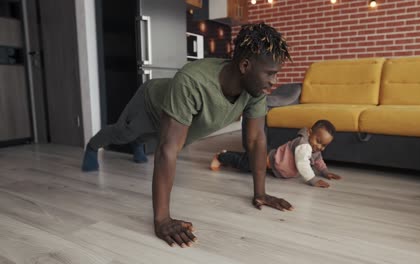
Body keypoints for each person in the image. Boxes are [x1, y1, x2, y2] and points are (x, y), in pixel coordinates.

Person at [81, 22, 293, 248]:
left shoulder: (255, 90)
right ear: (245, 65)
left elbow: (256, 139)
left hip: (174, 118)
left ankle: (138, 144)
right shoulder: (193, 81)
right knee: (124, 133)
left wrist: (260, 193)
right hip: (150, 105)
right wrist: (162, 219)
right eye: (270, 74)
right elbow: (168, 149)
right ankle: (93, 146)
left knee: (149, 141)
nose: (274, 82)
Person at [211, 120, 343, 188]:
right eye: (318, 141)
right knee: (244, 164)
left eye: (324, 145)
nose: (320, 147)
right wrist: (312, 180)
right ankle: (221, 156)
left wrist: (325, 171)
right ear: (309, 133)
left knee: (245, 158)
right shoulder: (303, 145)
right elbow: (302, 163)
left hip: (273, 166)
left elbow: (318, 160)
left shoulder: (314, 149)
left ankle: (227, 154)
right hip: (267, 159)